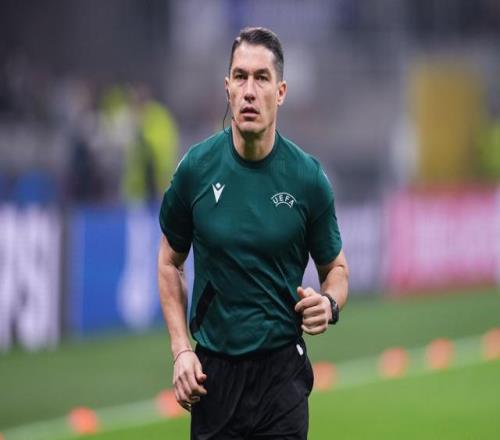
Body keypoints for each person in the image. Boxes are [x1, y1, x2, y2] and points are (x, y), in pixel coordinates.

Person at [158, 27, 349, 440]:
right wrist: (181, 350)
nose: (249, 91)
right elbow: (169, 262)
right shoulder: (196, 169)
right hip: (213, 378)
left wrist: (329, 303)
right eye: (240, 77)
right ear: (227, 88)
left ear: (280, 92)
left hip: (282, 379)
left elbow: (336, 268)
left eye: (261, 78)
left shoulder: (308, 178)